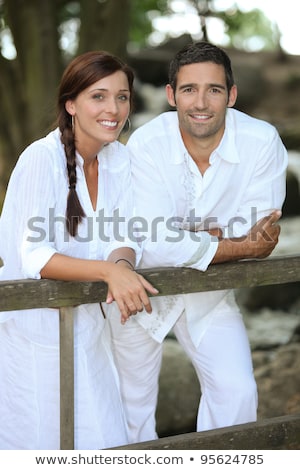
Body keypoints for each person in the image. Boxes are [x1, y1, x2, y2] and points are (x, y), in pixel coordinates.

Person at [108, 41, 288, 443]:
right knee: (130, 406)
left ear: (232, 95)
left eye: (214, 90)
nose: (201, 102)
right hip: (141, 290)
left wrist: (181, 236)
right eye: (189, 89)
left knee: (237, 393)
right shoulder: (146, 143)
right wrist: (236, 245)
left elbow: (260, 227)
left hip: (210, 291)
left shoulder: (262, 141)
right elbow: (153, 240)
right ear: (171, 95)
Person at [0, 50, 159, 450]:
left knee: (102, 441)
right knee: (42, 443)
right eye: (99, 96)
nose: (114, 109)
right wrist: (108, 273)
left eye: (122, 97)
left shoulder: (119, 158)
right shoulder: (42, 158)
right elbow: (35, 255)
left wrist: (121, 265)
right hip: (35, 333)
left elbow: (126, 233)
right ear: (71, 104)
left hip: (89, 328)